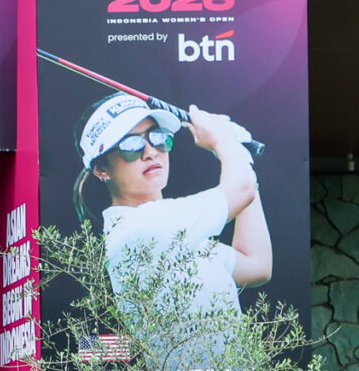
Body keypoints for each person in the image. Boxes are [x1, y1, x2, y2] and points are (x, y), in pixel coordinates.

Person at [76, 91, 270, 332]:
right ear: (101, 169)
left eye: (157, 137)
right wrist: (224, 141)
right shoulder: (139, 230)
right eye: (130, 145)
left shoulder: (174, 231)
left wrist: (242, 156)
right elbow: (241, 189)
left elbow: (257, 265)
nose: (151, 152)